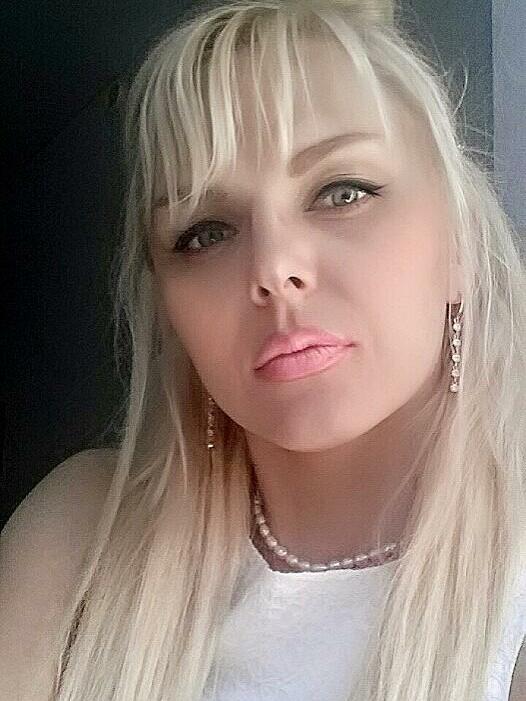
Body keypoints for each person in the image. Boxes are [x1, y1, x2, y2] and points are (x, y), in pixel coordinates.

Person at [1, 0, 525, 699]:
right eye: (205, 232)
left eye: (342, 192)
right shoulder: (80, 542)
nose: (274, 268)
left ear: (458, 240)